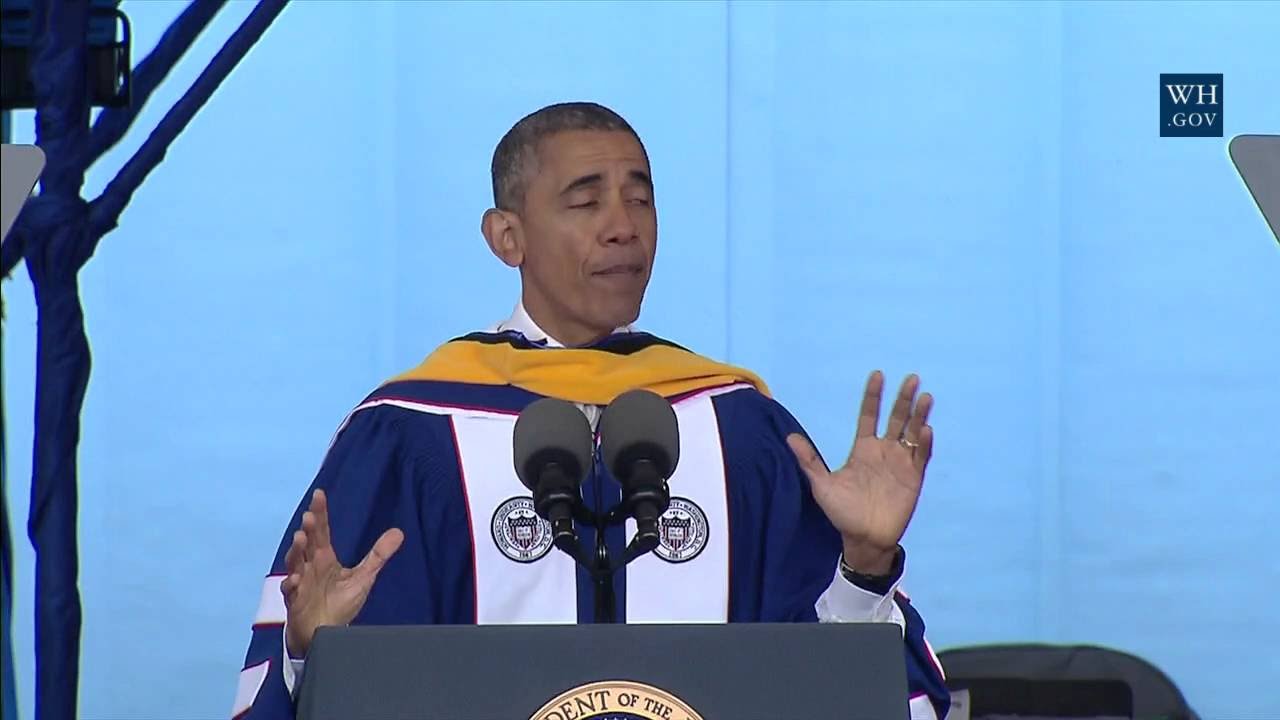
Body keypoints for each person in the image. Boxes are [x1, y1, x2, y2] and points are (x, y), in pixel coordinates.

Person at [231, 102, 951, 719]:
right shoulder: (414, 430)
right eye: (586, 199)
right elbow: (338, 690)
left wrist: (864, 564)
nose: (623, 226)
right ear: (506, 236)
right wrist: (310, 653)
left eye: (640, 198)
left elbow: (839, 691)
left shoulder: (738, 429)